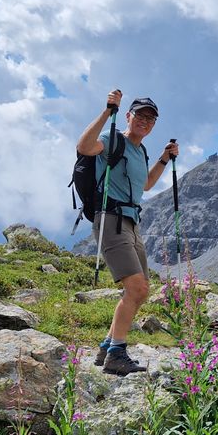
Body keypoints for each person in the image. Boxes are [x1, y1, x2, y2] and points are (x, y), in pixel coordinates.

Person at [76, 89, 178, 375]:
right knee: (136, 288)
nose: (145, 121)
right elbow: (84, 147)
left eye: (151, 118)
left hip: (131, 221)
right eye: (140, 115)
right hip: (111, 219)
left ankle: (107, 347)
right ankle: (116, 354)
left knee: (141, 290)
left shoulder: (139, 150)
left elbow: (145, 185)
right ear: (129, 116)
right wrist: (108, 110)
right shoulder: (113, 140)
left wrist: (163, 159)